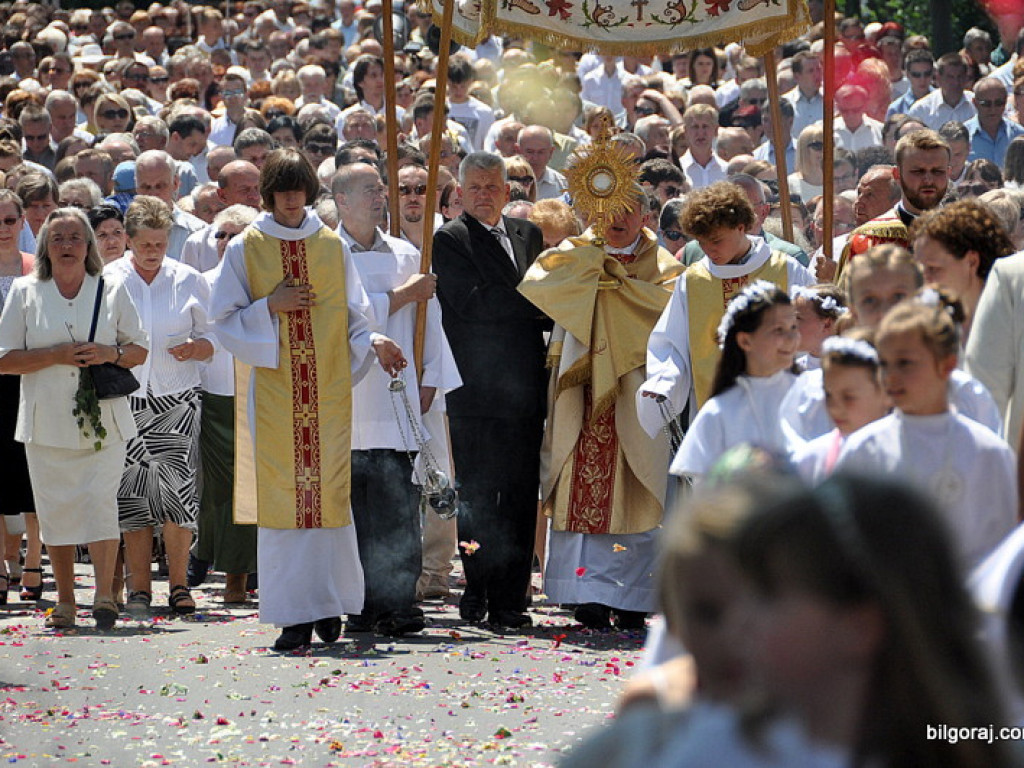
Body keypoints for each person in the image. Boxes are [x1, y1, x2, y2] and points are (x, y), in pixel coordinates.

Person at [210, 148, 406, 651]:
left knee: (327, 500)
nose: (292, 200)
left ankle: (328, 604)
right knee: (285, 505)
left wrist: (375, 342)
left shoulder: (329, 246)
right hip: (276, 396)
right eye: (283, 191)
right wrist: (268, 307)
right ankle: (292, 616)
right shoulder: (245, 248)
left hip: (327, 396)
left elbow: (354, 316)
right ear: (269, 193)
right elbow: (224, 320)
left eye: (299, 191)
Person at [519, 183, 684, 630]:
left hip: (637, 390)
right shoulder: (575, 253)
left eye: (630, 210)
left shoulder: (666, 267)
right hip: (583, 387)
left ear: (646, 217)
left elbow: (667, 311)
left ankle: (633, 597)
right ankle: (585, 593)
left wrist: (618, 290)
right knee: (578, 482)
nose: (619, 217)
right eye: (610, 208)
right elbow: (541, 285)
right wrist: (592, 275)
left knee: (638, 485)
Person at [0, 207, 148, 629]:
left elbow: (138, 349)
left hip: (104, 420)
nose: (66, 246)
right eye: (58, 238)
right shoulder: (26, 291)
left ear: (88, 245)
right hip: (45, 423)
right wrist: (56, 356)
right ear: (45, 244)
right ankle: (65, 600)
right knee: (55, 510)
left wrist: (108, 354)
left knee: (100, 505)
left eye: (75, 238)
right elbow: (4, 359)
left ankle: (104, 596)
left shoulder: (112, 287)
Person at [332, 161, 459, 636]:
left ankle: (399, 601)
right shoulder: (328, 253)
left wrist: (432, 376)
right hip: (349, 397)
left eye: (380, 189)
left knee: (401, 509)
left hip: (399, 397)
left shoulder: (408, 253)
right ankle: (361, 602)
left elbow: (433, 323)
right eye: (369, 190)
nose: (380, 197)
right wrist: (401, 297)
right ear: (341, 200)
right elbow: (343, 319)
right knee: (357, 511)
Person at [433, 151, 549, 629]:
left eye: (492, 186)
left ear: (507, 190)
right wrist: (535, 299)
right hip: (476, 388)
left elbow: (548, 295)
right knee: (479, 495)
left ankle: (511, 597)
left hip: (524, 385)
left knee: (521, 494)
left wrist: (536, 300)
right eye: (474, 188)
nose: (484, 195)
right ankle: (477, 587)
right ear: (460, 193)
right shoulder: (450, 238)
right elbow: (472, 303)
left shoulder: (530, 235)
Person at [838, 297, 1016, 569]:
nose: (891, 377)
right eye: (884, 364)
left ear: (946, 365)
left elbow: (1005, 551)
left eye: (905, 363)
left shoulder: (989, 452)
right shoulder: (864, 448)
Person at [104, 196, 215, 619]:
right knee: (132, 496)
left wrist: (198, 347)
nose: (153, 250)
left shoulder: (189, 279)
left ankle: (180, 585)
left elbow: (214, 338)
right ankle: (139, 589)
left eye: (160, 242)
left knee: (178, 496)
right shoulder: (110, 279)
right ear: (129, 240)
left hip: (177, 400)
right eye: (145, 243)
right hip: (125, 399)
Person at [639, 183, 814, 437]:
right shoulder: (693, 281)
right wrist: (662, 383)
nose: (709, 250)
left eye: (716, 240)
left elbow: (812, 330)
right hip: (715, 410)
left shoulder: (786, 270)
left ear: (741, 227)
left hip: (779, 407)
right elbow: (671, 342)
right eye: (701, 242)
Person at [193, 204, 259, 605]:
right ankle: (216, 562)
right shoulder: (199, 282)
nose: (226, 242)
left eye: (236, 235)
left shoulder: (267, 283)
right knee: (221, 489)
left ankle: (241, 572)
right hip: (213, 397)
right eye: (220, 234)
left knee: (250, 487)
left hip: (260, 396)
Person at [671, 282, 799, 480]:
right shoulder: (719, 412)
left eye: (793, 327)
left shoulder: (812, 393)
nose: (791, 338)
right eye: (778, 330)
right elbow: (706, 494)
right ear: (745, 341)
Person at [836, 129, 951, 280]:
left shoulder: (965, 237)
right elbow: (849, 301)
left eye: (937, 172)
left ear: (948, 173)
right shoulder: (868, 239)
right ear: (897, 175)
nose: (928, 180)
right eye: (918, 172)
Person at [910, 198, 1016, 341]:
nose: (924, 278)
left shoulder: (1014, 323)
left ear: (972, 262)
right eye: (920, 269)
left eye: (934, 269)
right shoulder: (924, 328)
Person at [792, 334, 890, 483]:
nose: (835, 408)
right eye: (829, 395)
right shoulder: (811, 460)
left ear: (885, 392)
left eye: (849, 397)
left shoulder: (906, 456)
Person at [0, 189, 35, 605]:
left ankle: (32, 559)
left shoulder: (34, 268)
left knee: (33, 470)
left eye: (10, 221)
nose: (3, 229)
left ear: (23, 222)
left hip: (31, 378)